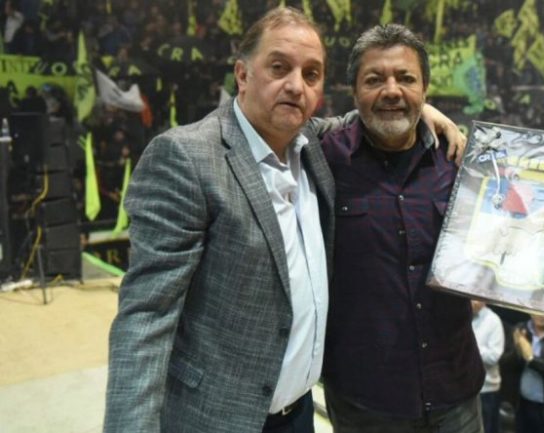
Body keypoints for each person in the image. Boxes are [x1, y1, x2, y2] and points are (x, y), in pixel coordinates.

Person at [103, 9, 464, 433]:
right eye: (279, 68)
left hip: (298, 415)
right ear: (242, 74)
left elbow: (371, 114)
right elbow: (146, 318)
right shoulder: (186, 157)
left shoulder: (311, 143)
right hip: (219, 419)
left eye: (311, 74)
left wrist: (420, 107)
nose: (296, 85)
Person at [319, 24, 544, 433]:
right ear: (353, 91)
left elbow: (510, 246)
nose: (391, 90)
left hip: (455, 392)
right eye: (374, 79)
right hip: (366, 399)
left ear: (425, 89)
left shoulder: (464, 162)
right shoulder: (323, 157)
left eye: (406, 78)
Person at [470, 301, 505, 433]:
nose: (472, 302)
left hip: (487, 389)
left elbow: (494, 356)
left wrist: (470, 346)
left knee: (488, 428)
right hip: (465, 388)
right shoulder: (461, 316)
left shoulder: (493, 320)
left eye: (476, 298)